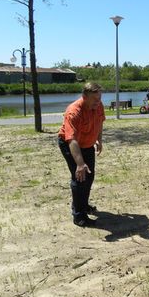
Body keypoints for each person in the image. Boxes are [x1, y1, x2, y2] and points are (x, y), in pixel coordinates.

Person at [58, 82, 105, 227]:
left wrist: (99, 139)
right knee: (80, 177)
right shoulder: (73, 112)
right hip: (71, 145)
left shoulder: (98, 106)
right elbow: (71, 140)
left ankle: (83, 205)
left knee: (89, 176)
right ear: (84, 97)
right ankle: (79, 216)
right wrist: (79, 164)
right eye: (95, 99)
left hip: (87, 145)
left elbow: (99, 122)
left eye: (99, 98)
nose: (98, 102)